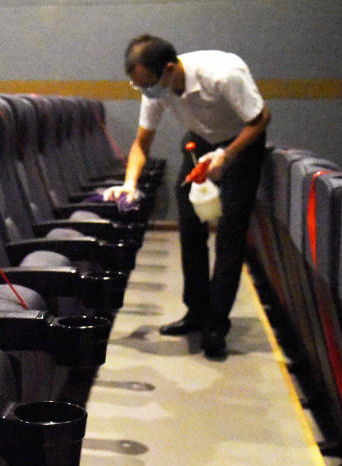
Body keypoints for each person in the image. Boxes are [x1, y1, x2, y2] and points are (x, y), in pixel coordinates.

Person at [105, 34, 270, 358]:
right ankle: (196, 312)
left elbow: (260, 118)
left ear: (169, 69)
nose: (146, 92)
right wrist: (129, 184)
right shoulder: (156, 89)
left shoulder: (221, 74)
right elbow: (141, 144)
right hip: (199, 142)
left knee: (229, 233)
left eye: (148, 84)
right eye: (140, 86)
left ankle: (216, 325)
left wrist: (226, 156)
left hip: (241, 145)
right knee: (190, 229)